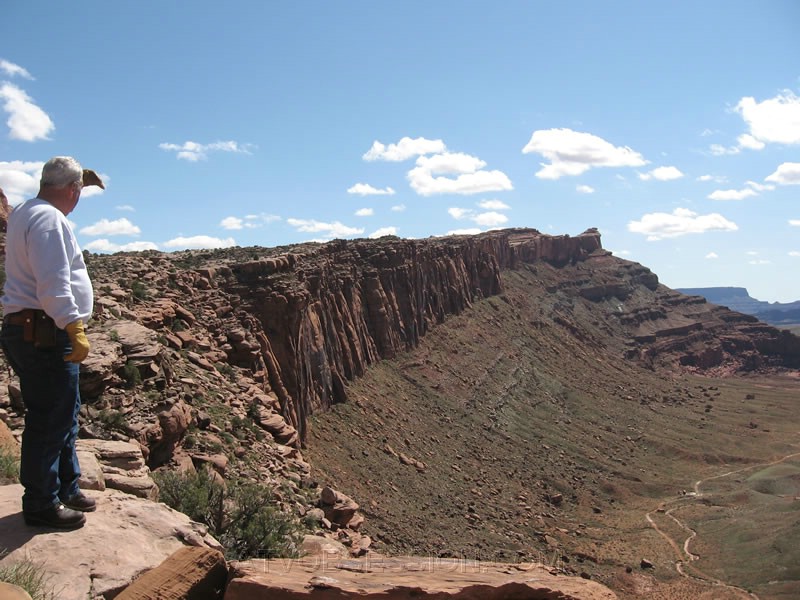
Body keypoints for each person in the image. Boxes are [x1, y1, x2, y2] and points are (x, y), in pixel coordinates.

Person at [1, 156, 104, 529]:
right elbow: (53, 281)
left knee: (64, 410)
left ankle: (66, 487)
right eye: (80, 191)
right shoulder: (48, 218)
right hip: (44, 331)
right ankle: (41, 504)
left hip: (33, 328)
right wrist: (73, 326)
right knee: (50, 418)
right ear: (73, 189)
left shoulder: (25, 212)